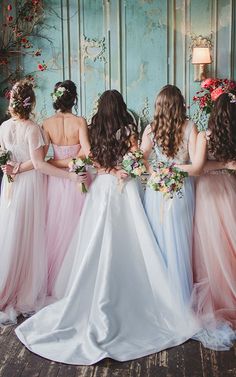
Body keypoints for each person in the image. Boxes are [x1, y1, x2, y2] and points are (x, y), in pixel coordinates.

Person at [15, 89, 202, 365]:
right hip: (123, 188)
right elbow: (137, 157)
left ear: (100, 108)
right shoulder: (129, 128)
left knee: (97, 241)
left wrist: (112, 170)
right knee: (131, 241)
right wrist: (123, 170)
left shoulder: (92, 127)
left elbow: (93, 160)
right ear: (121, 107)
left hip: (102, 188)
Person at [0, 80, 84, 325]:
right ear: (31, 102)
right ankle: (22, 288)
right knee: (27, 233)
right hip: (28, 185)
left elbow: (3, 157)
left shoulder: (4, 127)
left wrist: (11, 167)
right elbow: (38, 164)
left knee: (10, 231)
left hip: (10, 183)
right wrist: (69, 175)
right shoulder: (33, 128)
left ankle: (8, 282)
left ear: (11, 101)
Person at [141, 85, 198, 306]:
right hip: (181, 187)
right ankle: (178, 298)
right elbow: (194, 165)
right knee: (179, 241)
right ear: (179, 104)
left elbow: (142, 157)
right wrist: (175, 170)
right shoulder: (190, 127)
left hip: (157, 188)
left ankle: (161, 296)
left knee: (160, 238)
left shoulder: (151, 128)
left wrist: (155, 172)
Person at [191, 92, 236, 328]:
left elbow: (199, 168)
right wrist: (227, 165)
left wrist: (220, 165)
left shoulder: (204, 136)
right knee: (229, 240)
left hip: (209, 190)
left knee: (211, 242)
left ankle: (220, 294)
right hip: (228, 187)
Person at [42, 80, 91, 297]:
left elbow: (43, 158)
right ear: (74, 98)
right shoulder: (80, 121)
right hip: (77, 177)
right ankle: (75, 280)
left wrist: (58, 162)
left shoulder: (46, 123)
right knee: (77, 228)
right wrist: (72, 163)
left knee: (55, 227)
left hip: (56, 180)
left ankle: (57, 283)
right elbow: (87, 152)